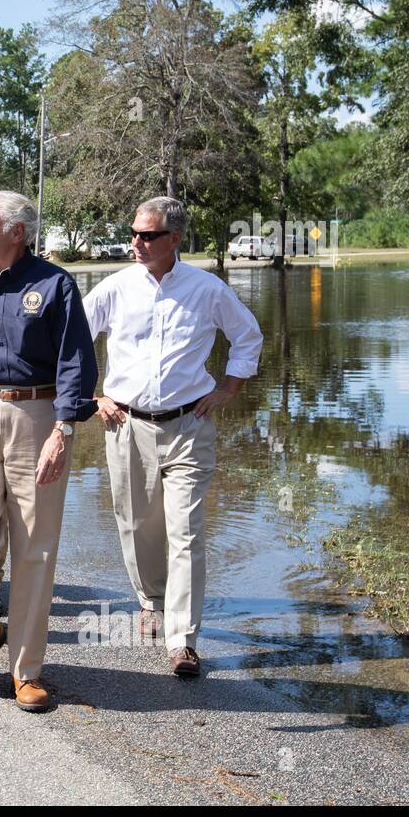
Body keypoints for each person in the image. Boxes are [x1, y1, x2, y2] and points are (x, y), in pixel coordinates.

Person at [82, 196, 263, 678]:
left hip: (190, 424)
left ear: (175, 239)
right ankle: (150, 599)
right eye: (134, 233)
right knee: (137, 522)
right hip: (126, 424)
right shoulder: (115, 288)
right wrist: (93, 396)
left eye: (147, 235)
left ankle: (182, 639)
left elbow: (248, 335)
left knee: (185, 531)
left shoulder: (207, 289)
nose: (135, 243)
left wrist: (229, 386)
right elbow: (74, 338)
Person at [0, 190, 98, 713]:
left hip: (40, 417)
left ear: (16, 232)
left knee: (35, 549)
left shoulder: (55, 284)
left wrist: (63, 429)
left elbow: (77, 362)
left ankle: (26, 669)